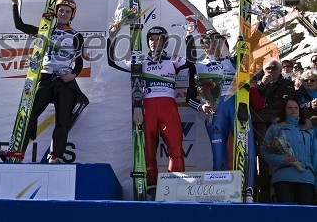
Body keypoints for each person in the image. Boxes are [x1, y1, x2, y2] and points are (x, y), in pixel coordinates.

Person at [9, 0, 88, 164]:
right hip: (45, 78)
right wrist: (15, 4)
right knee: (29, 114)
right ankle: (18, 151)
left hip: (64, 82)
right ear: (56, 12)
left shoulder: (76, 36)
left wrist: (73, 75)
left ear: (72, 15)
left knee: (62, 121)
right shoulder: (45, 31)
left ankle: (56, 156)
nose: (64, 14)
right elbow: (20, 25)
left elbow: (79, 62)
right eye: (61, 10)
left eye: (68, 12)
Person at [107, 25, 186, 196]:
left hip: (168, 107)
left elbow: (192, 62)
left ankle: (176, 185)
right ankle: (151, 188)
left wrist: (191, 33)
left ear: (164, 42)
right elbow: (113, 61)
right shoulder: (139, 61)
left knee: (176, 147)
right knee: (148, 149)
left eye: (158, 39)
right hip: (147, 107)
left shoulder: (172, 59)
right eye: (151, 39)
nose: (154, 42)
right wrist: (112, 38)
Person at [185, 29, 256, 199]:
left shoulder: (234, 61)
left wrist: (262, 25)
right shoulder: (197, 66)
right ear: (203, 45)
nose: (214, 45)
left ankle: (249, 191)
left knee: (248, 150)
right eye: (209, 41)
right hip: (216, 112)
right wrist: (201, 107)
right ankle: (222, 192)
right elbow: (189, 98)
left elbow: (252, 48)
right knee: (219, 156)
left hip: (237, 107)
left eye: (217, 41)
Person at [260, 98, 317, 205]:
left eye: (296, 107)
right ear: (284, 110)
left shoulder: (309, 130)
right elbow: (265, 151)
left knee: (305, 215)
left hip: (306, 176)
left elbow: (315, 155)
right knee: (286, 214)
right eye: (289, 108)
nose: (293, 110)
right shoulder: (276, 128)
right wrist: (282, 159)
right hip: (283, 175)